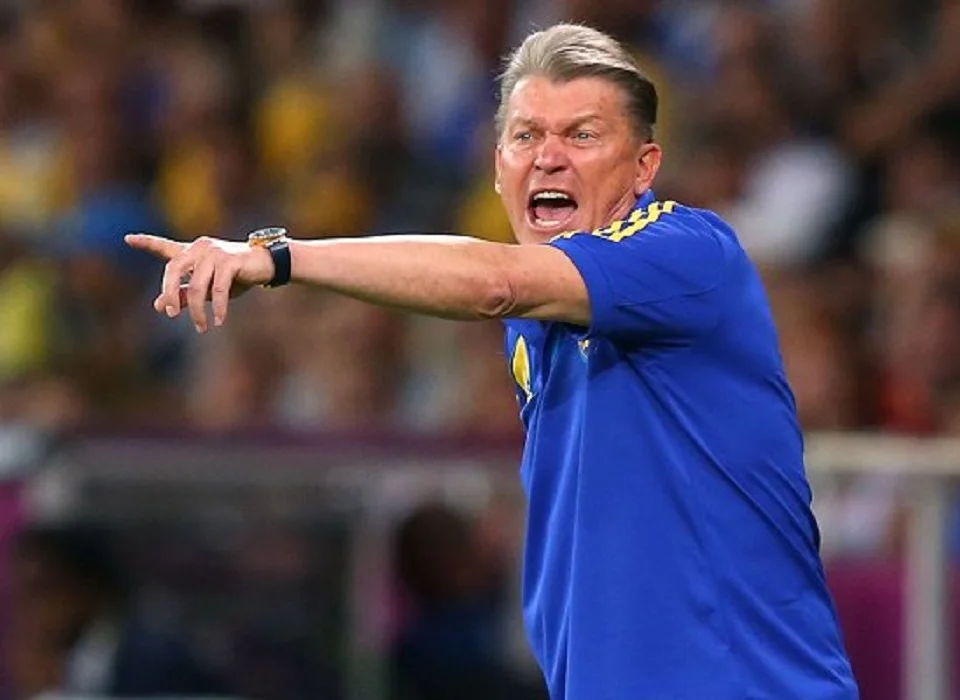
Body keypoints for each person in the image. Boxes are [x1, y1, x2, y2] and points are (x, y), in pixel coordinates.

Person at [127, 23, 859, 700]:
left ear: (644, 166)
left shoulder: (686, 252)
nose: (548, 156)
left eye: (582, 135)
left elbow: (492, 282)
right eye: (525, 135)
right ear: (499, 166)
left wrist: (276, 256)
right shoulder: (537, 324)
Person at [3, 523, 230, 699]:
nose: (28, 607)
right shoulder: (45, 660)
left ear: (91, 587)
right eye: (21, 592)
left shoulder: (157, 661)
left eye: (43, 589)